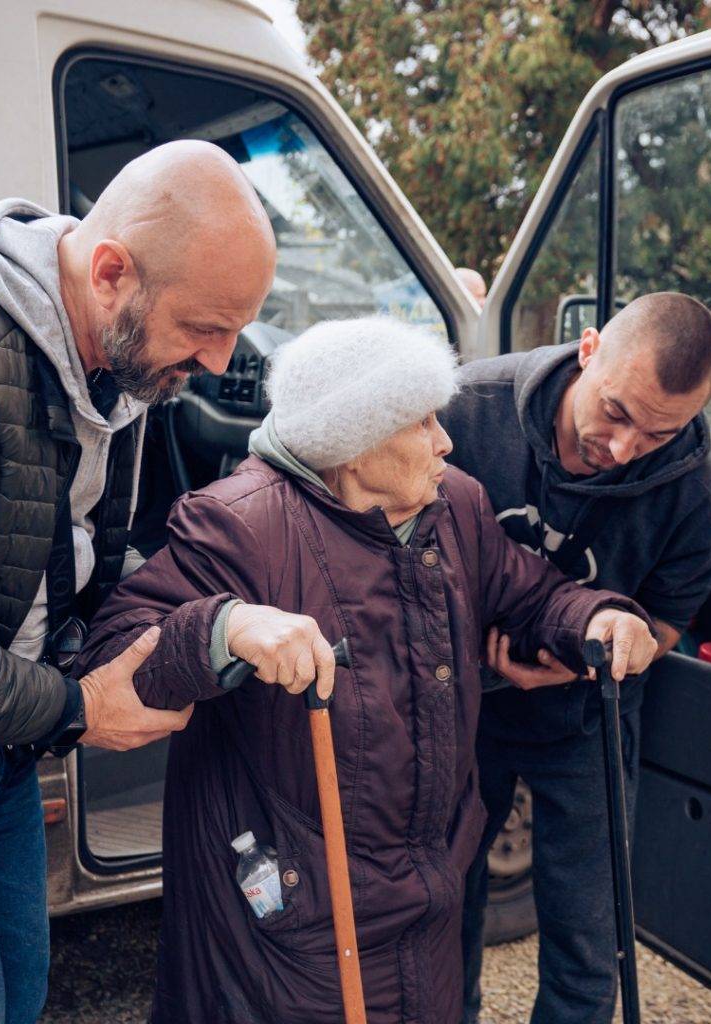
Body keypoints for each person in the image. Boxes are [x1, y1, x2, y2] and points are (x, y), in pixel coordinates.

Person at [76, 316, 659, 1024]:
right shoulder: (239, 523)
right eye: (421, 423)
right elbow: (115, 661)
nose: (445, 441)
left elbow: (532, 593)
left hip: (428, 889)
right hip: (296, 916)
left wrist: (597, 618)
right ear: (351, 444)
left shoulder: (455, 505)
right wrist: (226, 627)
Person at [0, 140, 276, 1023]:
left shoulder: (113, 363)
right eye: (204, 328)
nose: (220, 360)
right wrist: (80, 709)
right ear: (111, 271)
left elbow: (82, 557)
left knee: (20, 997)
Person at [446, 293, 711, 1024]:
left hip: (588, 720)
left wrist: (580, 666)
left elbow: (670, 624)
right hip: (459, 697)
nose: (623, 448)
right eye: (615, 411)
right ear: (587, 350)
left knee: (587, 935)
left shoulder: (701, 505)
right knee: (444, 902)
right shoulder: (465, 410)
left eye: (657, 433)